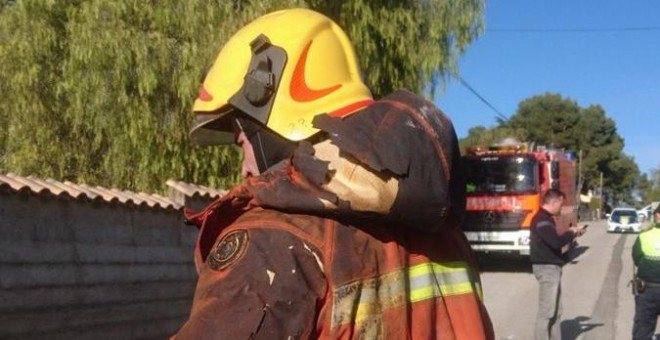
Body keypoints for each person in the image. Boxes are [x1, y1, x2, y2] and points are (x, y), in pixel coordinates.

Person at [173, 8, 493, 339]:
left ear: (267, 114)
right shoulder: (445, 234)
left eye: (242, 141)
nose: (244, 167)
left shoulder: (275, 240)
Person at [529, 188, 587, 340]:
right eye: (560, 204)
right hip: (546, 268)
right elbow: (555, 242)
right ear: (554, 202)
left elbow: (554, 241)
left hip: (552, 267)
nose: (561, 208)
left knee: (556, 310)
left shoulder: (546, 219)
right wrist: (571, 232)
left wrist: (573, 232)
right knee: (547, 311)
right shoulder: (542, 219)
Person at [632, 205, 660, 340]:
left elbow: (637, 259)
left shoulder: (644, 236)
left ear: (657, 216)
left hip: (648, 290)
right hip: (648, 288)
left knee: (643, 328)